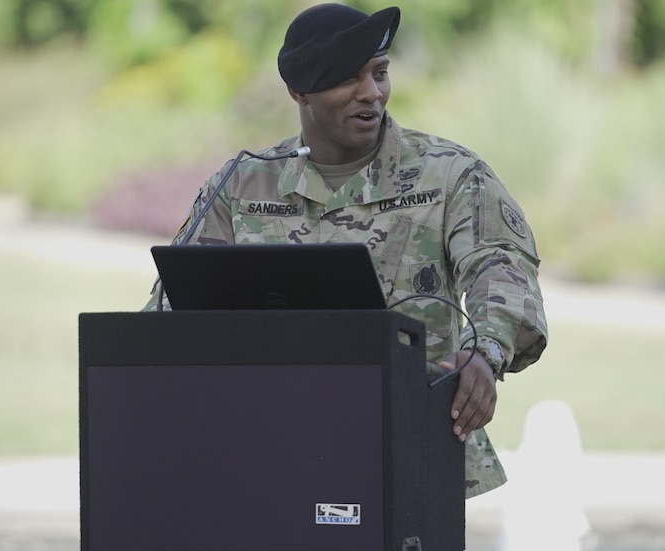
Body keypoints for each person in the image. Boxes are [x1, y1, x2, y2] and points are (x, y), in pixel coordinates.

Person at [143, 3, 547, 500]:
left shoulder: (449, 174)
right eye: (347, 79)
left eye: (379, 74)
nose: (371, 93)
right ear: (298, 92)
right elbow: (169, 309)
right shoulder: (240, 185)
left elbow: (501, 266)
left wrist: (482, 352)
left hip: (407, 448)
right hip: (264, 450)